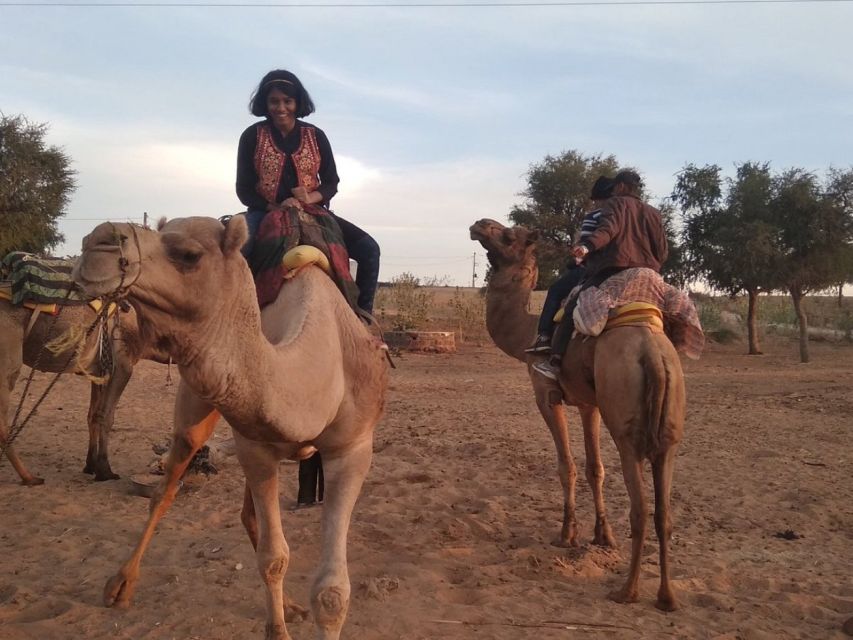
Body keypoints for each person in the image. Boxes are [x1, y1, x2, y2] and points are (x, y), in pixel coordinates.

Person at [235, 68, 381, 315]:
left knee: (370, 250)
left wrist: (311, 197)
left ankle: (363, 319)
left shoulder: (315, 135)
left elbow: (331, 181)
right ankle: (232, 316)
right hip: (265, 211)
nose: (281, 107)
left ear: (297, 102)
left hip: (314, 211)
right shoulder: (252, 136)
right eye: (274, 101)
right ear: (265, 103)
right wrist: (277, 206)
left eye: (287, 101)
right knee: (233, 252)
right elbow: (244, 189)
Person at [532, 170, 669, 380]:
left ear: (621, 186)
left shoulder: (614, 205)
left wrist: (587, 247)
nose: (613, 191)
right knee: (670, 311)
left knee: (572, 306)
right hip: (648, 275)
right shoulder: (654, 213)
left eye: (615, 187)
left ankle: (555, 360)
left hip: (615, 270)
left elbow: (608, 230)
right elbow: (662, 251)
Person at [525, 176, 614, 354]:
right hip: (631, 270)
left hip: (596, 271)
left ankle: (544, 337)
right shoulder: (629, 217)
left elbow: (585, 250)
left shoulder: (595, 216)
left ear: (597, 198)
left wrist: (573, 262)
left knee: (556, 290)